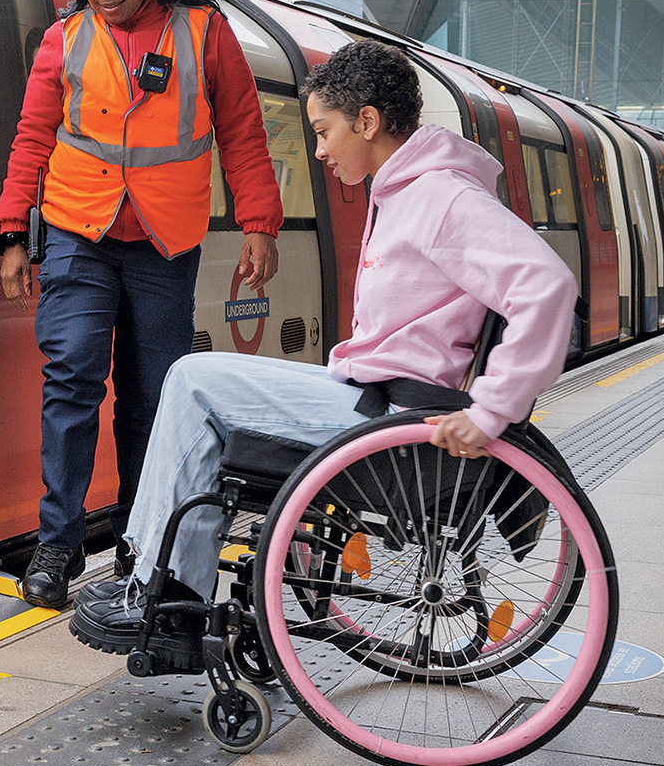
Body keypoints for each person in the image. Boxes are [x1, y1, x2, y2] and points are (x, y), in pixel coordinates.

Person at [67, 40, 576, 654]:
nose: (319, 149)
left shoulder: (440, 197)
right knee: (199, 388)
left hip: (394, 418)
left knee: (192, 381)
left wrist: (491, 410)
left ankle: (161, 590)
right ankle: (168, 586)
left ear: (366, 121)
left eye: (324, 130)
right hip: (377, 400)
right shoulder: (406, 190)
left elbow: (547, 285)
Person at [0, 0, 284, 609]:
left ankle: (139, 540)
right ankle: (57, 543)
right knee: (72, 377)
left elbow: (243, 130)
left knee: (155, 398)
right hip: (77, 230)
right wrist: (11, 231)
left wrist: (260, 224)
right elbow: (33, 136)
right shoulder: (63, 40)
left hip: (165, 238)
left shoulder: (205, 33)